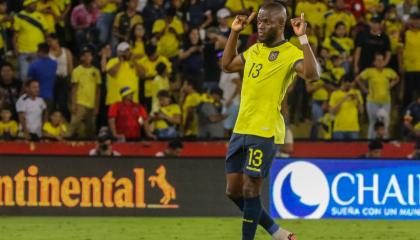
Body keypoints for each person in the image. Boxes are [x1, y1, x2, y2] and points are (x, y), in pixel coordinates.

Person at [221, 1, 319, 239]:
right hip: (240, 128)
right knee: (233, 191)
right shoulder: (254, 50)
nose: (260, 26)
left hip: (264, 131)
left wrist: (303, 39)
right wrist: (234, 32)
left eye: (266, 22)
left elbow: (312, 74)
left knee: (250, 189)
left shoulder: (291, 53)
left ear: (281, 24)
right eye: (258, 22)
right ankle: (277, 232)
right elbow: (226, 65)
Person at [355, 53, 399, 139]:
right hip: (372, 101)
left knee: (385, 121)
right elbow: (358, 79)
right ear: (374, 62)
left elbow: (397, 78)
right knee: (373, 121)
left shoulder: (388, 71)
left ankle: (385, 139)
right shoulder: (369, 71)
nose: (380, 62)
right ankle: (371, 139)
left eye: (382, 60)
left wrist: (391, 85)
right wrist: (364, 89)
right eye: (378, 60)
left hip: (386, 101)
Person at [67, 46, 101, 139]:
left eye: (89, 56)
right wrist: (74, 104)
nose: (87, 58)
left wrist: (96, 106)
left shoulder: (96, 71)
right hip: (80, 102)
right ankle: (65, 141)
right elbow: (74, 88)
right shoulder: (77, 71)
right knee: (74, 124)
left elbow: (98, 91)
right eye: (85, 56)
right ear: (81, 57)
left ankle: (90, 145)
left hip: (91, 103)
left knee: (91, 127)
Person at [13, 0, 48, 80]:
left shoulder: (40, 16)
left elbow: (46, 34)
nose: (35, 5)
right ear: (27, 4)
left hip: (39, 52)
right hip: (25, 52)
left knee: (40, 76)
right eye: (33, 3)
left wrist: (46, 50)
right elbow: (15, 36)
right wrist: (16, 50)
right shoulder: (19, 16)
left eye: (35, 3)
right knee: (25, 76)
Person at [105, 42, 144, 106]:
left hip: (132, 101)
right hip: (116, 101)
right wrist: (120, 61)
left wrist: (134, 61)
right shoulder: (113, 61)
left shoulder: (134, 63)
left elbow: (142, 74)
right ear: (118, 52)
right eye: (124, 51)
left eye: (127, 51)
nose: (126, 53)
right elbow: (112, 73)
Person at [48, 33, 73, 120]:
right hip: (52, 80)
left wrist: (70, 81)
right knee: (53, 103)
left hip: (64, 80)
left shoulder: (66, 52)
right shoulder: (48, 54)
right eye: (49, 42)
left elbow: (70, 67)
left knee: (63, 103)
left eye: (52, 41)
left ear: (57, 40)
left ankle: (66, 120)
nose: (50, 43)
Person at [27, 42, 57, 110]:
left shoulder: (34, 65)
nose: (36, 53)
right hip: (50, 96)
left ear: (41, 52)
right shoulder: (54, 63)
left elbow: (28, 80)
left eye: (38, 51)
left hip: (36, 96)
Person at [218, 51, 241, 135]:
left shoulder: (232, 72)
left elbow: (239, 86)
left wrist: (231, 99)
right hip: (226, 103)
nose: (220, 62)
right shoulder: (224, 72)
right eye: (219, 60)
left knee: (228, 128)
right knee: (225, 128)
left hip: (233, 103)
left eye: (222, 60)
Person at [401, 13, 420, 108]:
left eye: (418, 19)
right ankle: (405, 115)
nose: (416, 21)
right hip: (409, 68)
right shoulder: (405, 33)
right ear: (410, 20)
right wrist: (401, 64)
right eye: (414, 19)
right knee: (407, 94)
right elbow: (400, 50)